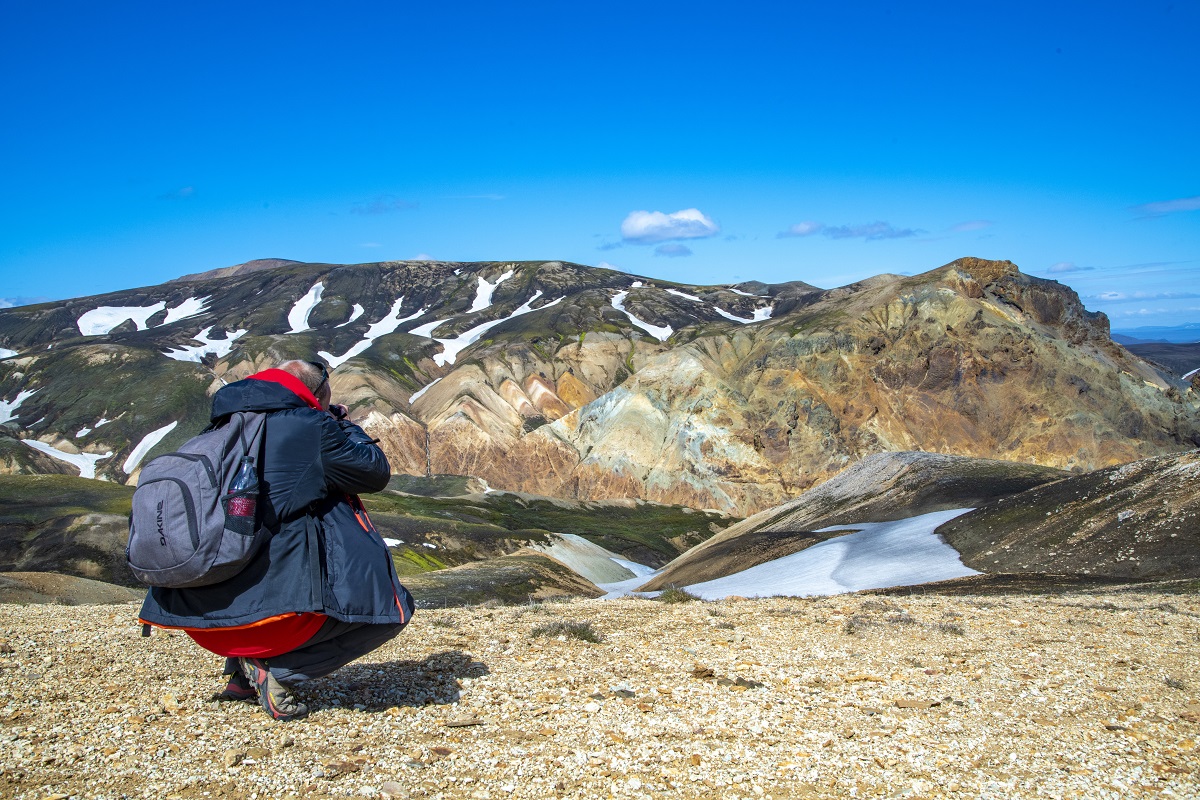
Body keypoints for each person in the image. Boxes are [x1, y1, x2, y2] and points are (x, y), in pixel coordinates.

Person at [138, 359, 415, 721]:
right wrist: (338, 422)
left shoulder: (220, 426)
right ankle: (279, 672)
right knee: (391, 611)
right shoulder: (311, 426)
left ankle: (241, 675)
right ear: (317, 393)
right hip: (270, 621)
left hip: (199, 621)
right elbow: (373, 472)